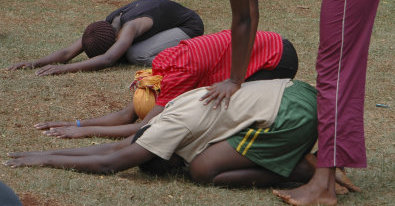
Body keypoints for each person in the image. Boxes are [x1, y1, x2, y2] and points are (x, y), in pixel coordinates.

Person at [170, 0, 387, 205]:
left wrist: (233, 81)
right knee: (338, 69)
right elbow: (252, 13)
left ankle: (323, 185)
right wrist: (239, 77)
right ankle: (328, 167)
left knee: (335, 71)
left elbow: (242, 19)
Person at [5, 79, 319, 186]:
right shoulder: (161, 118)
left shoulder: (170, 129)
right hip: (292, 93)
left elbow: (110, 163)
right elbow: (118, 147)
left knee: (203, 170)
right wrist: (49, 151)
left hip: (289, 115)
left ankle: (306, 170)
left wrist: (45, 159)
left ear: (167, 156)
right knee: (203, 162)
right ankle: (295, 160)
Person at [35, 29, 298, 139]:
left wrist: (84, 132)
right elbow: (128, 114)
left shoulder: (178, 74)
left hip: (275, 60)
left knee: (221, 114)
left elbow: (145, 127)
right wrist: (76, 123)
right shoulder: (163, 62)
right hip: (268, 43)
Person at [6, 0, 204, 75]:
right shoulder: (105, 26)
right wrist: (33, 63)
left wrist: (63, 69)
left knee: (136, 55)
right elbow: (68, 52)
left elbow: (108, 59)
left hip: (189, 26)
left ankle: (190, 56)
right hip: (163, 23)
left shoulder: (130, 26)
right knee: (128, 52)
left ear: (116, 40)